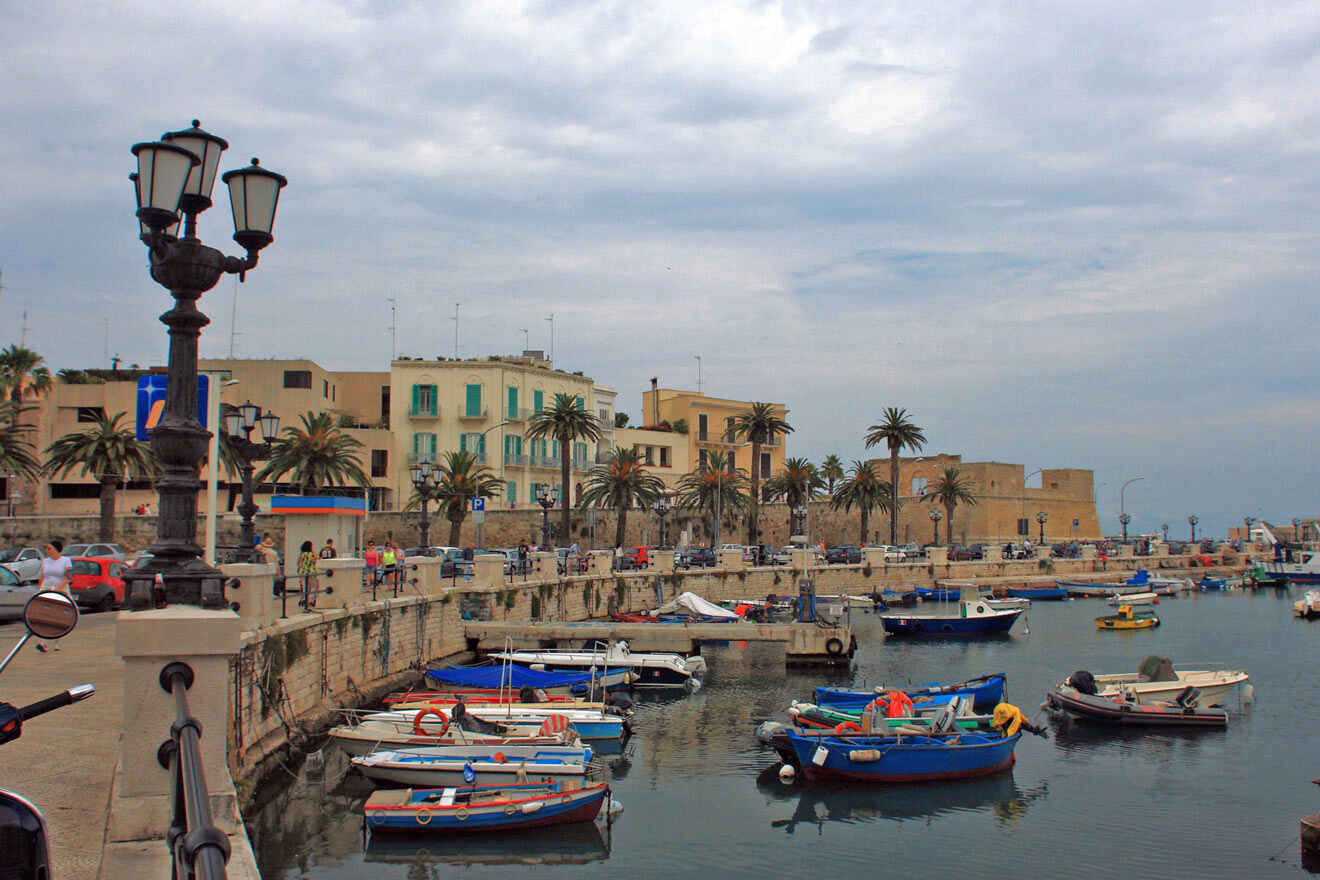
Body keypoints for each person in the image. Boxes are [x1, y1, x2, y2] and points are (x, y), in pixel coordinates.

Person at [34, 540, 73, 653]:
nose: (47, 551)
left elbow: (69, 577)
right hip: (46, 589)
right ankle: (43, 642)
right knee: (44, 615)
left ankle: (57, 641)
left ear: (56, 549)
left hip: (61, 589)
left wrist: (58, 589)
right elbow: (42, 577)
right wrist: (39, 590)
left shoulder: (66, 561)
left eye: (49, 548)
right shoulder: (45, 561)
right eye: (46, 548)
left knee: (58, 616)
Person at [297, 540, 319, 609]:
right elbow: (316, 560)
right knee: (313, 587)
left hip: (303, 572)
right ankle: (311, 601)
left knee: (305, 587)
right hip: (312, 572)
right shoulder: (313, 554)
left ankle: (303, 599)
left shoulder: (302, 554)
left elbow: (299, 563)